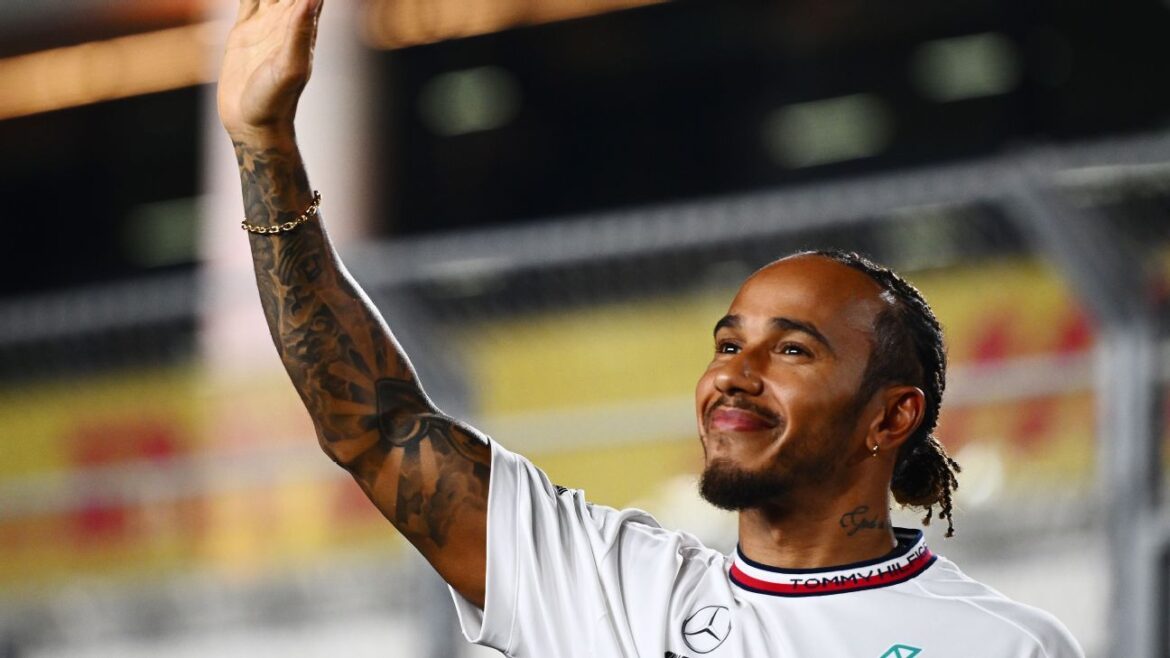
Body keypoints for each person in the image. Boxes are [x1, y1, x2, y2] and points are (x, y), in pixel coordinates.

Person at [219, 1, 1085, 656]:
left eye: (792, 349)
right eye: (727, 343)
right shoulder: (616, 588)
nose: (733, 373)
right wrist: (264, 141)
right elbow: (376, 426)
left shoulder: (1005, 644)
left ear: (891, 416)